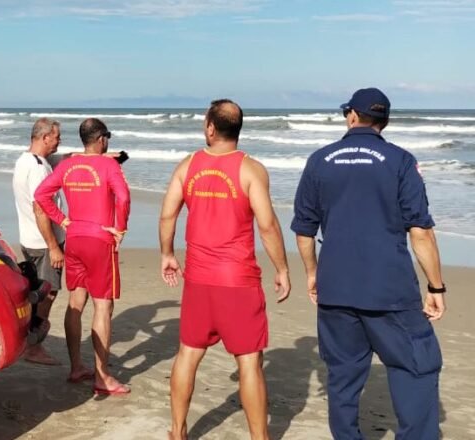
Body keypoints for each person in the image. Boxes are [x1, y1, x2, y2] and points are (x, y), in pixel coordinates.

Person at [291, 88, 446, 440]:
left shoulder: (319, 160)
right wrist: (436, 286)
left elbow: (304, 230)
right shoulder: (400, 160)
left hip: (336, 286)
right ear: (385, 121)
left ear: (351, 116)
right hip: (388, 290)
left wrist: (313, 273)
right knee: (416, 366)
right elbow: (420, 231)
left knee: (343, 377)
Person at [159, 99, 290, 440]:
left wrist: (167, 254)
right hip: (238, 281)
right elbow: (268, 225)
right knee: (249, 362)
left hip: (199, 279)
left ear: (210, 128)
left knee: (188, 353)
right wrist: (282, 269)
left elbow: (168, 214)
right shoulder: (251, 169)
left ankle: (177, 431)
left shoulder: (187, 166)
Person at [35, 118, 131, 394]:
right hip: (100, 240)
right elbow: (123, 198)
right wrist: (121, 228)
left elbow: (41, 194)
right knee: (103, 306)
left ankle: (76, 366)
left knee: (76, 301)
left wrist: (63, 220)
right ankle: (102, 376)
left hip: (75, 239)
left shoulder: (68, 164)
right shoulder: (110, 165)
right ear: (101, 139)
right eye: (107, 137)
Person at [12, 117, 65, 365]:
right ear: (45, 138)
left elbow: (63, 158)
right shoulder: (38, 168)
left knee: (36, 290)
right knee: (48, 292)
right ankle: (34, 346)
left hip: (30, 237)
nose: (59, 140)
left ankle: (29, 339)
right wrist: (54, 246)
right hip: (44, 242)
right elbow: (40, 208)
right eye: (57, 137)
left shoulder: (28, 160)